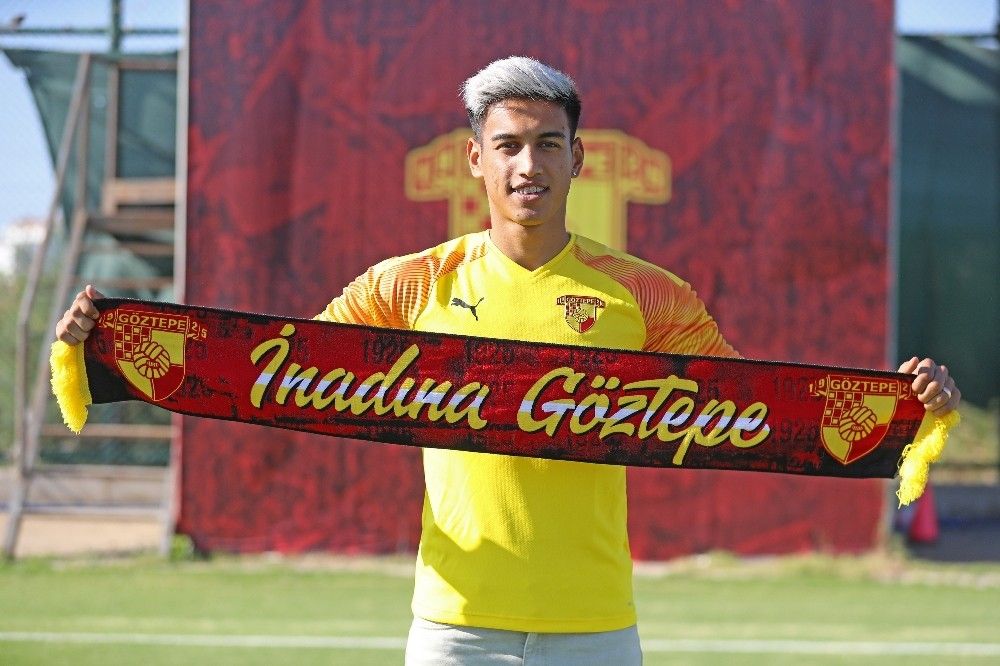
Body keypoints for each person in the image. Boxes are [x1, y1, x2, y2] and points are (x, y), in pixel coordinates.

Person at [56, 56, 962, 665]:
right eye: (510, 146)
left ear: (579, 158)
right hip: (454, 628)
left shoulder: (646, 295)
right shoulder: (410, 285)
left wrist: (908, 410)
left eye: (548, 144)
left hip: (596, 629)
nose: (530, 165)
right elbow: (268, 372)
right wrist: (104, 349)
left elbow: (760, 414)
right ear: (475, 160)